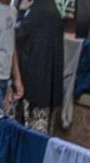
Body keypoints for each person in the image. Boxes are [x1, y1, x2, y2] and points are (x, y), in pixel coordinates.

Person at [13, 0, 64, 133]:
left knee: (30, 133)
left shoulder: (38, 11)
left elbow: (16, 35)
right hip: (45, 89)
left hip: (33, 87)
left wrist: (20, 12)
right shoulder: (50, 8)